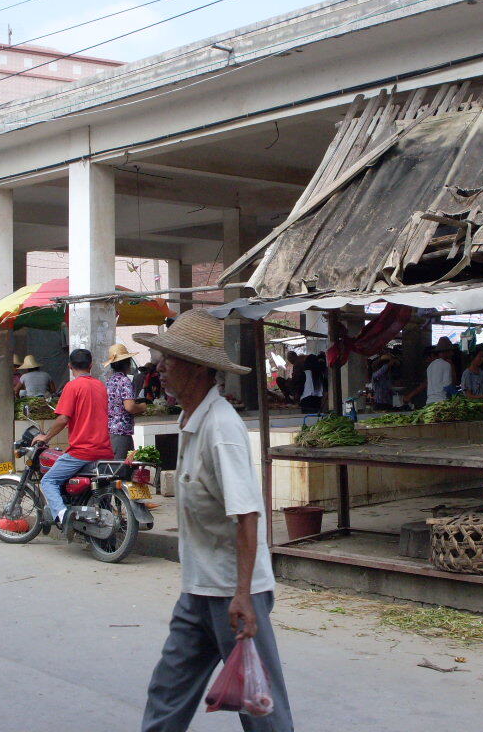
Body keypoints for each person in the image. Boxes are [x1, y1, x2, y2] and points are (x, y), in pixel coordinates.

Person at [133, 309, 292, 732]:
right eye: (161, 358)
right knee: (168, 691)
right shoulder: (190, 420)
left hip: (234, 595)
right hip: (199, 590)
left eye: (171, 360)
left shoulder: (221, 427)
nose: (160, 369)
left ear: (202, 369)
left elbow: (247, 515)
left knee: (261, 706)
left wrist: (242, 595)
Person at [31, 349, 113, 527]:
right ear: (90, 365)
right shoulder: (100, 386)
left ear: (69, 366)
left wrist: (45, 437)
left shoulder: (72, 386)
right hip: (105, 450)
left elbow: (63, 419)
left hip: (81, 452)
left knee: (48, 481)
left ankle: (62, 515)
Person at [104, 344, 147, 461]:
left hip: (110, 431)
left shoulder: (109, 381)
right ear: (127, 363)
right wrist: (143, 407)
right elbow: (130, 407)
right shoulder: (124, 381)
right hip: (121, 432)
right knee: (122, 470)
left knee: (115, 467)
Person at [403, 338, 455, 406]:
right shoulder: (446, 364)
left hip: (429, 403)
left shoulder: (430, 366)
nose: (452, 354)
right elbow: (447, 386)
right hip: (441, 403)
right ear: (446, 351)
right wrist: (457, 395)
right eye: (451, 351)